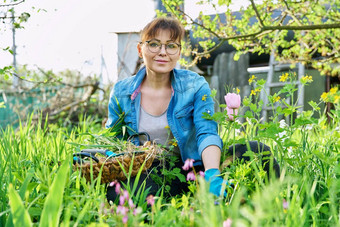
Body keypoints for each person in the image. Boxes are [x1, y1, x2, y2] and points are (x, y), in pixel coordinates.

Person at [105, 17, 279, 202]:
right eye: (154, 44)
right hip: (152, 171)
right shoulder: (122, 91)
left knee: (257, 150)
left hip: (198, 165)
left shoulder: (194, 85)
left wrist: (212, 173)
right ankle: (187, 199)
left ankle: (276, 204)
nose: (163, 52)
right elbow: (114, 141)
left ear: (179, 51)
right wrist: (106, 160)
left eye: (171, 46)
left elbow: (206, 131)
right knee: (118, 194)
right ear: (141, 50)